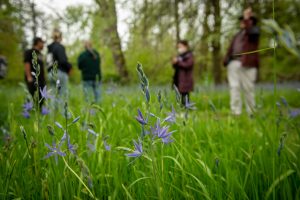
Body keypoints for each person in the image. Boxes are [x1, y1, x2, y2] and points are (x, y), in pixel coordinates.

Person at [223, 7, 260, 116]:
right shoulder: (237, 35)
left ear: (251, 21)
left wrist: (247, 18)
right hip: (233, 64)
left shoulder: (254, 32)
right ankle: (235, 112)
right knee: (234, 88)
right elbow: (231, 48)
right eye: (242, 20)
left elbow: (252, 32)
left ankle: (251, 113)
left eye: (245, 20)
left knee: (248, 89)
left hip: (247, 64)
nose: (242, 22)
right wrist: (226, 60)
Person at [47, 29, 72, 97]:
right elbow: (63, 61)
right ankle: (61, 108)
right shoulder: (59, 47)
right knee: (62, 95)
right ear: (60, 37)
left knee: (53, 95)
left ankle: (52, 108)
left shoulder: (49, 48)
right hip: (60, 72)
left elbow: (48, 62)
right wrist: (70, 67)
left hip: (50, 73)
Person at [23, 37, 46, 103]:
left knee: (41, 98)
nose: (43, 45)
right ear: (38, 42)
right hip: (32, 79)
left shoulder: (40, 54)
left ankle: (40, 112)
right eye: (42, 43)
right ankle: (28, 111)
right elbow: (27, 63)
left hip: (41, 80)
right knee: (31, 96)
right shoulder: (29, 52)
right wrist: (29, 77)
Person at [172, 40, 194, 105]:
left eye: (180, 47)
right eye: (178, 47)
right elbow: (175, 66)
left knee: (185, 95)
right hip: (179, 79)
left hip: (186, 79)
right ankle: (183, 107)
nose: (179, 49)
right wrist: (174, 62)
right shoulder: (180, 56)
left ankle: (186, 109)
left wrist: (178, 62)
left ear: (185, 46)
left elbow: (188, 65)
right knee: (181, 94)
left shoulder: (189, 55)